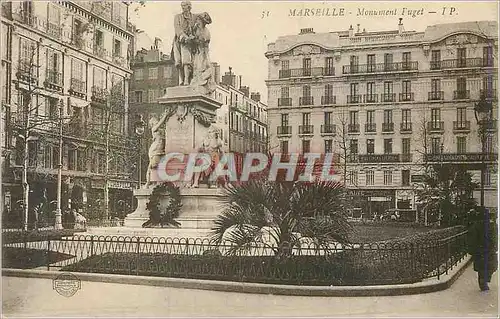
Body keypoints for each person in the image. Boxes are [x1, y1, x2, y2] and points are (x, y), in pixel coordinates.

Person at [468, 208, 498, 291]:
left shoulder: (479, 226)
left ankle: (483, 280)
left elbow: (472, 239)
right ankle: (483, 281)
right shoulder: (486, 226)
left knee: (486, 267)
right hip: (485, 249)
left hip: (484, 250)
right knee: (487, 266)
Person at [172, 0, 197, 86]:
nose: (183, 8)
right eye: (182, 6)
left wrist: (193, 37)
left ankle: (186, 79)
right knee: (178, 62)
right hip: (179, 41)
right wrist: (185, 37)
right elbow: (177, 29)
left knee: (186, 61)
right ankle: (181, 79)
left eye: (185, 6)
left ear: (189, 7)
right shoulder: (177, 17)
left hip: (190, 43)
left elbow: (197, 28)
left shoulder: (194, 17)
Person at [145, 111, 169, 187]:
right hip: (155, 149)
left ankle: (155, 182)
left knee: (158, 166)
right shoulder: (154, 129)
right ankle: (148, 182)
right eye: (154, 122)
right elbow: (161, 123)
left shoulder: (161, 130)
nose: (156, 122)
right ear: (152, 124)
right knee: (152, 165)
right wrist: (165, 115)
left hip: (162, 149)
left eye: (156, 120)